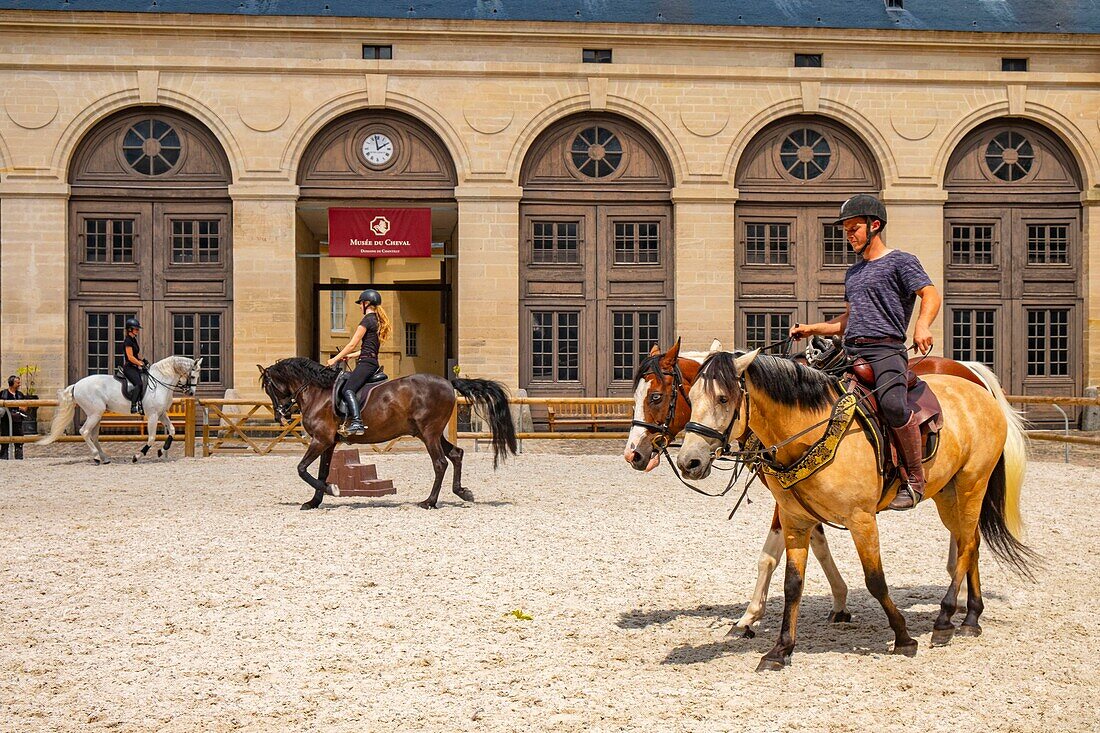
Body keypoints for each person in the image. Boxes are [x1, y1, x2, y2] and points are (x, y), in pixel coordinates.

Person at [789, 194, 942, 510]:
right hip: (850, 351)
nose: (849, 235)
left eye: (854, 228)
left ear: (875, 225)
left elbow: (930, 294)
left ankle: (914, 481)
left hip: (886, 351)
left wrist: (923, 326)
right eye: (846, 230)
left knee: (893, 405)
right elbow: (848, 320)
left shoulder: (901, 261)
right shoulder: (853, 272)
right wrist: (812, 329)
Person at [326, 289, 392, 435]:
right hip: (371, 361)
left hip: (366, 364)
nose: (359, 306)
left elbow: (351, 344)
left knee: (347, 389)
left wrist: (334, 359)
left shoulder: (367, 320)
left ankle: (357, 422)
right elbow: (367, 348)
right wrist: (351, 356)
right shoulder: (376, 320)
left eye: (360, 303)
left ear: (366, 303)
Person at [121, 317, 148, 414]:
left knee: (146, 380)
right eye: (136, 329)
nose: (137, 331)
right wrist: (140, 363)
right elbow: (130, 357)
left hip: (135, 366)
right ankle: (133, 405)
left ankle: (141, 404)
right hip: (129, 367)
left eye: (137, 329)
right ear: (130, 329)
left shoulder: (133, 340)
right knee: (139, 384)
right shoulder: (128, 341)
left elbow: (136, 354)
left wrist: (143, 360)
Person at [1, 375, 27, 460]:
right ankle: (4, 455)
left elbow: (24, 407)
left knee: (19, 437)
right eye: (17, 382)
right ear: (11, 383)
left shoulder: (20, 395)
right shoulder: (3, 393)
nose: (19, 384)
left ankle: (18, 455)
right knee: (4, 436)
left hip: (17, 419)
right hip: (5, 419)